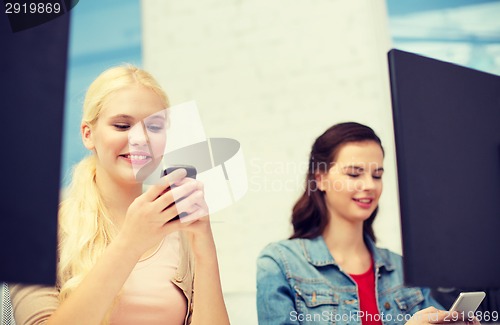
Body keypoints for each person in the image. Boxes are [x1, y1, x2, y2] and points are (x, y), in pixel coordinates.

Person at [9, 65, 230, 325]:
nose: (139, 138)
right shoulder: (37, 231)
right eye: (122, 125)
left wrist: (205, 246)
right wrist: (130, 241)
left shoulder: (181, 231)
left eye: (155, 127)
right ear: (88, 134)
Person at [256, 122, 478, 325]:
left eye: (377, 175)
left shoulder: (402, 269)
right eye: (354, 174)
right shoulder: (280, 264)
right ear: (320, 179)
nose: (370, 185)